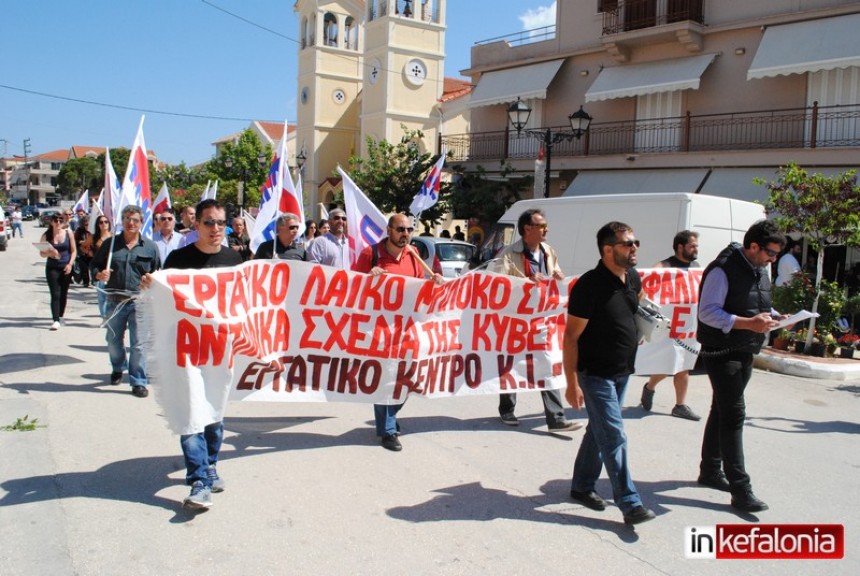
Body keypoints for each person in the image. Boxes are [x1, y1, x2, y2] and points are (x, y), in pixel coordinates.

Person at [142, 199, 242, 510]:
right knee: (191, 412)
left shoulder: (234, 259)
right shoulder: (179, 259)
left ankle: (211, 465)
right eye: (209, 222)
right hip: (185, 352)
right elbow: (162, 293)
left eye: (220, 223)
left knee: (213, 411)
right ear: (195, 225)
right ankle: (198, 480)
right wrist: (151, 284)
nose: (216, 229)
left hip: (218, 352)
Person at [563, 221, 656, 525]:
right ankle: (629, 502)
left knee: (599, 431)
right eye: (628, 244)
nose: (634, 249)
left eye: (635, 242)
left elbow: (635, 308)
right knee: (614, 434)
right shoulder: (588, 286)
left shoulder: (632, 277)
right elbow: (571, 337)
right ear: (607, 249)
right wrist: (571, 383)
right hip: (595, 374)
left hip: (622, 371)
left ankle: (581, 486)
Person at [696, 220, 787, 512]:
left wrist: (773, 315)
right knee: (734, 414)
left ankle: (710, 470)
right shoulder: (723, 268)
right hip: (722, 351)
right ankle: (741, 489)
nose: (773, 259)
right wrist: (750, 323)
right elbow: (708, 312)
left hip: (745, 348)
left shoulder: (758, 268)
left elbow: (752, 302)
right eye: (770, 253)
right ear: (753, 246)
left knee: (721, 410)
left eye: (775, 255)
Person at [353, 213, 442, 451]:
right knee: (386, 378)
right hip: (378, 329)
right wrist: (367, 278)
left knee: (409, 378)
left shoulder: (414, 256)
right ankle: (389, 430)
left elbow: (420, 290)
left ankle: (387, 421)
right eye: (400, 229)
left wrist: (434, 284)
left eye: (409, 230)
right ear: (389, 230)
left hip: (406, 329)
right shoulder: (370, 254)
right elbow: (351, 287)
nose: (405, 234)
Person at [492, 208, 582, 432]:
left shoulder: (548, 251)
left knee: (548, 362)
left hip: (542, 320)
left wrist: (558, 277)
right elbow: (498, 285)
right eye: (541, 226)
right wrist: (526, 281)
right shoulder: (508, 253)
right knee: (510, 364)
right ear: (527, 229)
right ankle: (507, 409)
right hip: (516, 319)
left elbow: (555, 273)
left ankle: (556, 418)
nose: (546, 229)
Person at [92, 205, 160, 398]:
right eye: (128, 219)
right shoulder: (111, 245)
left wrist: (153, 281)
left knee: (139, 344)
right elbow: (94, 265)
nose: (131, 223)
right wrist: (99, 273)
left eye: (135, 220)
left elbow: (158, 272)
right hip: (114, 300)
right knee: (113, 341)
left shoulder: (150, 247)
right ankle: (117, 366)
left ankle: (138, 381)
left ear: (141, 223)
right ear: (122, 221)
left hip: (140, 302)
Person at [640, 230, 701, 421]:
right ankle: (650, 387)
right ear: (680, 247)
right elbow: (647, 281)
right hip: (668, 325)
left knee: (684, 364)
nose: (696, 249)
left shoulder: (696, 268)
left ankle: (680, 405)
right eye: (692, 246)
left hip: (688, 326)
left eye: (696, 246)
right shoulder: (665, 266)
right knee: (669, 363)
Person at [39, 212, 77, 330]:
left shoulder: (68, 233)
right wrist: (49, 253)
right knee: (55, 294)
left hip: (66, 267)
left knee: (63, 293)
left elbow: (74, 251)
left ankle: (60, 316)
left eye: (61, 220)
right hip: (52, 267)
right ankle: (55, 320)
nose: (58, 223)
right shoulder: (46, 235)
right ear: (51, 222)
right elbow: (41, 253)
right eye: (56, 220)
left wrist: (70, 264)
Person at [91, 215, 113, 317]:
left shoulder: (114, 237)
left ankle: (110, 315)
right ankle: (104, 316)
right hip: (99, 269)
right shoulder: (94, 237)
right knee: (101, 296)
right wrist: (90, 253)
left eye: (106, 222)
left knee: (111, 295)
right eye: (101, 222)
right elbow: (82, 247)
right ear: (98, 225)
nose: (104, 224)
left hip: (111, 269)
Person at [74, 215, 94, 288]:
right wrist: (83, 242)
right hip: (82, 252)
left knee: (93, 268)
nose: (87, 226)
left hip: (92, 253)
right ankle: (86, 282)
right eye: (86, 225)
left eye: (89, 224)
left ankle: (94, 282)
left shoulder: (94, 231)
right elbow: (75, 241)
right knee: (84, 268)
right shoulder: (79, 231)